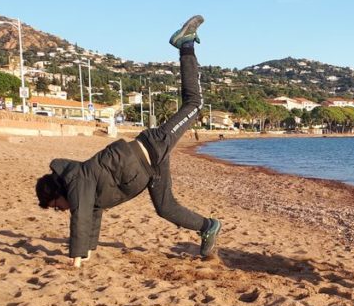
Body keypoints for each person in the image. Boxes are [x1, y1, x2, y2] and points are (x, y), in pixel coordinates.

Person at [35, 15, 222, 266]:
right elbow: (92, 214)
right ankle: (209, 227)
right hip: (152, 165)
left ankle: (185, 44)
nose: (62, 209)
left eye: (57, 206)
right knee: (165, 207)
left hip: (154, 145)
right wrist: (87, 251)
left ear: (57, 192)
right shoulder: (85, 188)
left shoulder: (77, 180)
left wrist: (75, 258)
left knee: (195, 104)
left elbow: (80, 218)